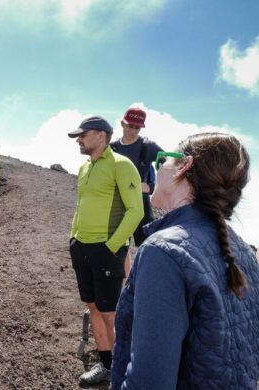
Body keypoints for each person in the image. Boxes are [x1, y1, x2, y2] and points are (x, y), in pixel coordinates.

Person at [111, 133, 259, 389]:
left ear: (185, 165)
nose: (158, 170)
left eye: (162, 161)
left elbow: (148, 383)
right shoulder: (243, 251)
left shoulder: (164, 251)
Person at [68, 116, 144, 386]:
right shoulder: (84, 168)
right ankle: (107, 364)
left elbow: (136, 210)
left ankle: (126, 369)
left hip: (107, 249)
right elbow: (80, 206)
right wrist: (73, 238)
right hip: (82, 248)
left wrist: (111, 247)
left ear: (101, 135)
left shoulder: (122, 166)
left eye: (83, 135)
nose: (79, 139)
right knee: (94, 307)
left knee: (112, 312)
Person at [110, 108, 163, 275]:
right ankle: (125, 282)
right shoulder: (112, 148)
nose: (132, 130)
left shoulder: (149, 147)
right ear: (122, 123)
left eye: (137, 128)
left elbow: (169, 166)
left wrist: (152, 187)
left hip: (141, 204)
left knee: (147, 246)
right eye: (129, 126)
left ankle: (145, 282)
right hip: (118, 204)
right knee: (119, 245)